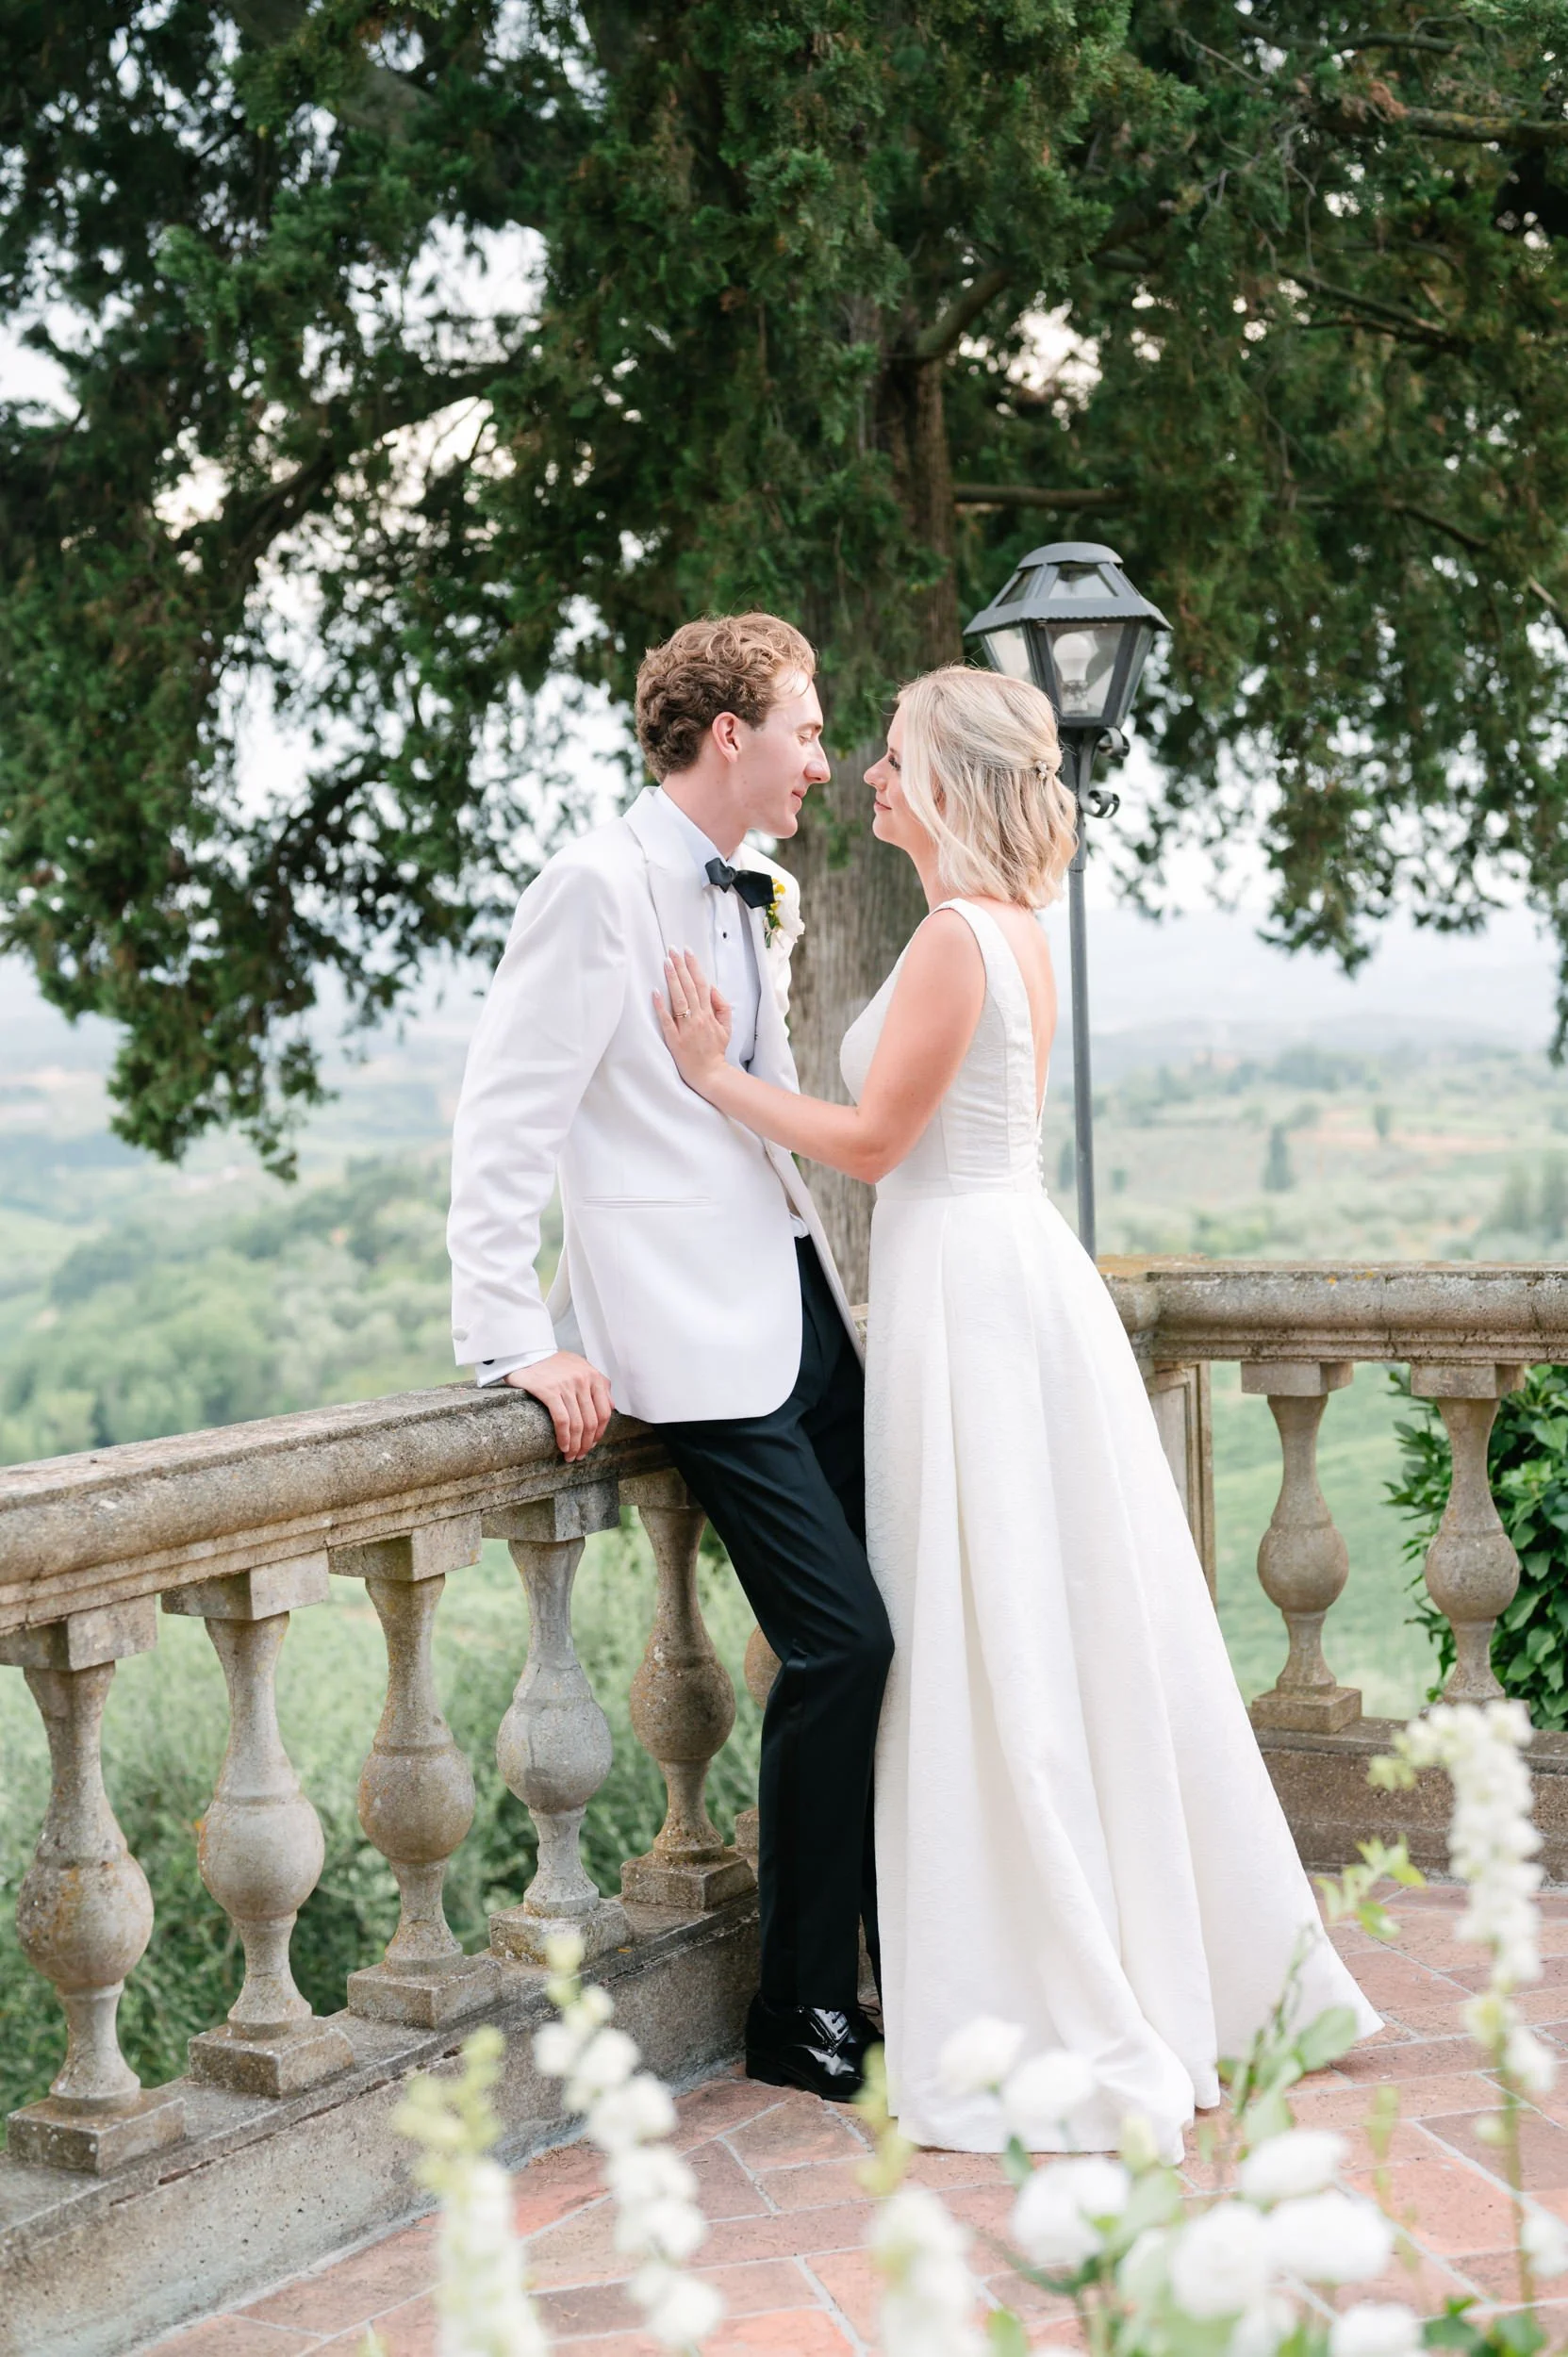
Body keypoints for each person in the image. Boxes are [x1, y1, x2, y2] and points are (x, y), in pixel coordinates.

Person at [653, 662, 1381, 2158]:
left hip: (972, 1296)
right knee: (1048, 1628)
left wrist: (710, 1077)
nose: (865, 774)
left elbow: (866, 1142)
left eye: (894, 755)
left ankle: (1042, 1971)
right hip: (996, 1275)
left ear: (951, 784)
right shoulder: (1016, 929)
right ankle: (1126, 1944)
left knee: (995, 1636)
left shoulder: (950, 938)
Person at [447, 612, 892, 2102]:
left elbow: (746, 1095)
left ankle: (904, 1951)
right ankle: (800, 2010)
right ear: (727, 738)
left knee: (906, 1620)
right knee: (842, 1643)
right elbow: (506, 1118)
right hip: (688, 1339)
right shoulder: (594, 887)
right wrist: (517, 1335)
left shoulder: (754, 882)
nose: (822, 762)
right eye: (808, 732)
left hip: (800, 1301)